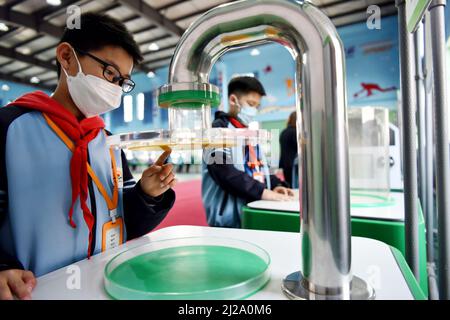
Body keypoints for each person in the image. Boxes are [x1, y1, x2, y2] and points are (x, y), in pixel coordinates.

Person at [0, 13, 176, 300]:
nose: (116, 89)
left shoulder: (107, 141)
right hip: (34, 291)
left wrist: (146, 195)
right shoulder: (10, 128)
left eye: (123, 82)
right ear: (67, 57)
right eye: (110, 73)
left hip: (104, 285)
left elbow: (122, 221)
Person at [202, 76, 294, 228]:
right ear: (233, 100)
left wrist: (275, 185)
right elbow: (224, 172)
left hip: (253, 208)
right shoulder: (216, 131)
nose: (254, 110)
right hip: (227, 218)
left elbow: (258, 167)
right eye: (251, 104)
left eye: (257, 106)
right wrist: (262, 192)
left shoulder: (249, 133)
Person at [279, 111, 298, 187]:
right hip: (294, 165)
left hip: (284, 165)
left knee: (289, 186)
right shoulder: (295, 132)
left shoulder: (284, 132)